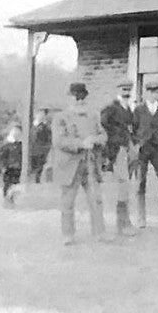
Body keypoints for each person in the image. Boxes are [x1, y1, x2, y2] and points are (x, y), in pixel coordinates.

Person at [53, 82, 107, 245]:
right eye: (76, 97)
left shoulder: (93, 116)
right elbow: (59, 141)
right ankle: (67, 234)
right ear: (70, 98)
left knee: (96, 199)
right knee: (68, 202)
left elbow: (103, 136)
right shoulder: (61, 118)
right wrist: (81, 143)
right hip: (69, 165)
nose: (80, 101)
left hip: (90, 165)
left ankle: (99, 232)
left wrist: (95, 140)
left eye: (82, 97)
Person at [99, 80, 137, 236]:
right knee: (123, 183)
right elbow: (102, 127)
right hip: (116, 150)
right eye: (123, 90)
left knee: (126, 185)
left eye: (128, 91)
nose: (126, 93)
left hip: (127, 149)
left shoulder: (128, 110)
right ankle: (123, 223)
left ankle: (124, 222)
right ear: (118, 90)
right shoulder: (110, 109)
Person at [132, 80, 158, 228]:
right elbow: (133, 130)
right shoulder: (139, 110)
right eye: (151, 91)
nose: (154, 94)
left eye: (156, 91)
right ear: (146, 93)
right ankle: (141, 218)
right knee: (140, 184)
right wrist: (138, 143)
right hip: (143, 151)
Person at [0, 121, 23, 208]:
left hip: (18, 168)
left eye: (18, 131)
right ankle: (6, 199)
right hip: (9, 168)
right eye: (14, 131)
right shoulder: (7, 145)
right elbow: (2, 156)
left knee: (15, 185)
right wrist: (3, 166)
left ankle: (12, 199)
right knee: (7, 184)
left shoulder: (22, 145)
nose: (16, 133)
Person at [31, 107, 53, 183]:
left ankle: (39, 178)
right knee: (40, 164)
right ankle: (38, 178)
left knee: (42, 164)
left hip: (43, 148)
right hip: (40, 148)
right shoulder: (40, 126)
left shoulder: (45, 126)